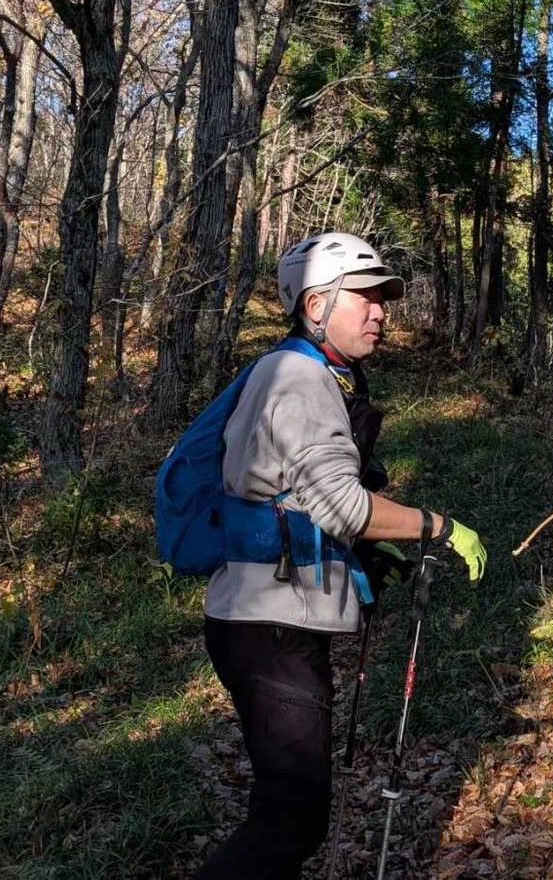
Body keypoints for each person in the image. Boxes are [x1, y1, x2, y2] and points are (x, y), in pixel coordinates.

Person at [194, 232, 488, 879]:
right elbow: (342, 506)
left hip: (264, 619)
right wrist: (438, 526)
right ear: (315, 305)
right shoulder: (300, 379)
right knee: (289, 820)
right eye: (365, 297)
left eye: (383, 299)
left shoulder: (294, 371)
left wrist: (366, 542)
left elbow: (296, 496)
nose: (380, 312)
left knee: (285, 813)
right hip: (272, 628)